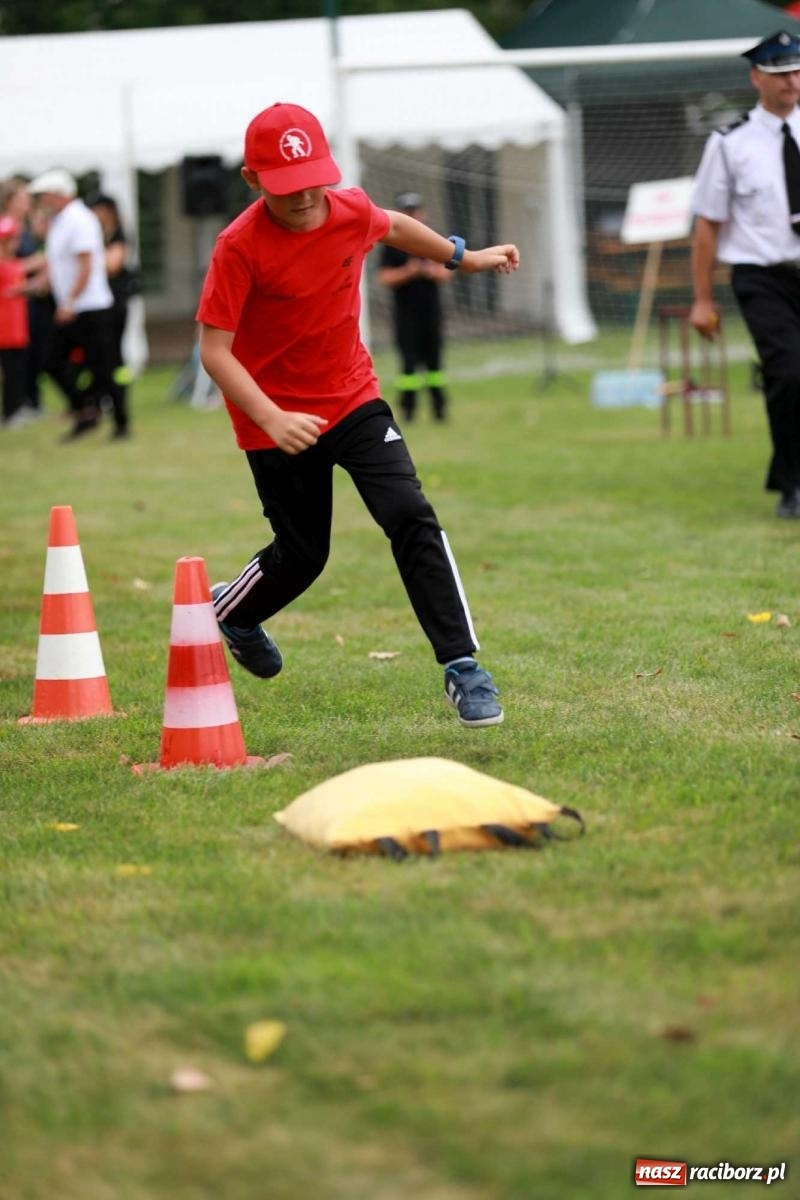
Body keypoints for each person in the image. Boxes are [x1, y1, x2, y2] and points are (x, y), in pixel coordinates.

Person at [197, 102, 520, 728]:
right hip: (278, 419)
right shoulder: (238, 247)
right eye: (288, 188)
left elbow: (393, 225)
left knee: (410, 513)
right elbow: (214, 350)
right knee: (303, 554)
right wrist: (269, 417)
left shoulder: (346, 210)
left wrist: (464, 255)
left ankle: (462, 667)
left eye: (315, 179)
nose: (306, 198)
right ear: (253, 179)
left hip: (352, 397)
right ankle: (234, 614)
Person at [690, 30, 800, 519]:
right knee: (790, 374)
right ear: (757, 78)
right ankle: (792, 485)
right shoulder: (730, 143)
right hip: (761, 275)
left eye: (797, 72)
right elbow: (707, 225)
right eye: (780, 75)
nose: (792, 82)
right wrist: (702, 300)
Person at [27, 168, 129, 440]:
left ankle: (120, 423)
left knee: (104, 368)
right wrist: (32, 285)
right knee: (52, 361)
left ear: (59, 195)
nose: (41, 202)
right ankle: (86, 409)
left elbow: (87, 265)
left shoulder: (79, 220)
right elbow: (58, 263)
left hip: (91, 307)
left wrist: (69, 302)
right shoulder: (60, 222)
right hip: (75, 307)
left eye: (44, 196)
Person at [377, 191, 452, 422]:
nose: (413, 215)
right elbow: (384, 278)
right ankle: (408, 410)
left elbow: (446, 273)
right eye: (407, 211)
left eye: (415, 211)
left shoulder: (433, 240)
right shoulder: (391, 245)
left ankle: (440, 409)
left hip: (431, 311)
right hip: (405, 313)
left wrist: (431, 271)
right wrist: (408, 271)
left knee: (435, 364)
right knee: (408, 363)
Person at [87, 192, 141, 394]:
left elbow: (113, 265)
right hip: (101, 302)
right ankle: (101, 395)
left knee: (113, 353)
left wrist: (86, 260)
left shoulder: (118, 234)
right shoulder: (97, 235)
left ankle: (118, 398)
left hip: (115, 301)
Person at [0, 216, 30, 427]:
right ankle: (10, 412)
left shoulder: (15, 263)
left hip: (18, 326)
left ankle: (16, 409)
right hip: (4, 327)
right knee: (10, 371)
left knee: (18, 370)